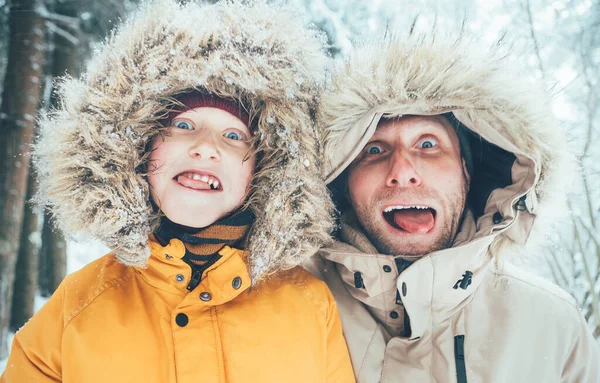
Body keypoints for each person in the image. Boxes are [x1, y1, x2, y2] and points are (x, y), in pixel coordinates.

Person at [1, 1, 355, 382]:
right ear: (139, 148)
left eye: (234, 135)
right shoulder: (77, 306)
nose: (205, 146)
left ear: (266, 172)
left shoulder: (312, 306)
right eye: (184, 125)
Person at [305, 32, 600, 382]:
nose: (402, 172)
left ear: (466, 171)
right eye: (374, 150)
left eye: (428, 144)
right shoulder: (288, 306)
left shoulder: (552, 325)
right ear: (344, 181)